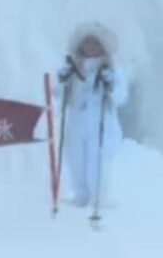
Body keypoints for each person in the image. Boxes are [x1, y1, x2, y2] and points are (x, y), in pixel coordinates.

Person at [57, 24, 128, 210]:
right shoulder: (73, 68)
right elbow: (59, 95)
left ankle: (99, 198)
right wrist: (61, 80)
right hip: (76, 124)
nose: (90, 47)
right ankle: (80, 196)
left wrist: (110, 84)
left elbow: (120, 97)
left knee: (97, 163)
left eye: (95, 43)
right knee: (76, 162)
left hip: (100, 125)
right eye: (87, 43)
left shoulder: (113, 70)